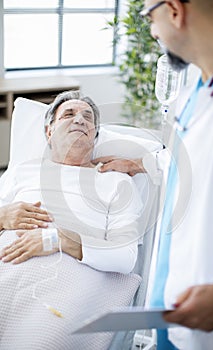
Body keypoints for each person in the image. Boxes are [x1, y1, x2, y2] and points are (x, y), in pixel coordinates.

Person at [93, 1, 213, 349]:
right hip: (172, 314)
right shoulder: (195, 92)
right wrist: (144, 162)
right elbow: (195, 165)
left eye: (148, 17)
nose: (152, 33)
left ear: (174, 10)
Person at [0, 90, 142, 349]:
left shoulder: (115, 181)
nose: (80, 120)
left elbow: (125, 256)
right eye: (69, 114)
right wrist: (1, 217)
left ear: (95, 135)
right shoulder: (23, 172)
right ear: (49, 132)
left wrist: (59, 239)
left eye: (88, 118)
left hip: (66, 278)